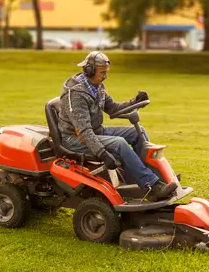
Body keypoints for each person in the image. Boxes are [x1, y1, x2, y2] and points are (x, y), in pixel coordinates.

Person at [58, 51, 178, 202]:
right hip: (75, 139)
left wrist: (134, 101)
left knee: (138, 131)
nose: (105, 76)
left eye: (106, 72)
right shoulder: (76, 94)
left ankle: (154, 179)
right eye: (102, 72)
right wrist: (102, 154)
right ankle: (152, 186)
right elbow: (84, 132)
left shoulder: (97, 87)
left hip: (95, 131)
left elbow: (113, 108)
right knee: (119, 143)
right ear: (89, 70)